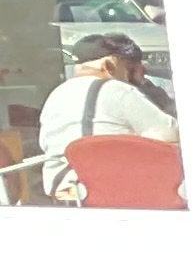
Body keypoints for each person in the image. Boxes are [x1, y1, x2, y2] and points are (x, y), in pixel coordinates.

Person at [39, 35, 176, 203]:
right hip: (105, 191)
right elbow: (169, 132)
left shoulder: (56, 95)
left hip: (62, 191)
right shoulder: (116, 90)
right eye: (127, 67)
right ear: (109, 66)